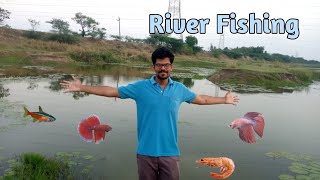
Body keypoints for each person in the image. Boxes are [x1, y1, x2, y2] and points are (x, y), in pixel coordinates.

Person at [60, 47, 239, 180]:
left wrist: (224, 100)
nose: (163, 69)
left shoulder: (179, 89)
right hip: (145, 153)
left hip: (170, 153)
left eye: (167, 65)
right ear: (154, 67)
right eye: (159, 65)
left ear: (171, 67)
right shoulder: (140, 88)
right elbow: (111, 91)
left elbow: (202, 99)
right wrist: (81, 87)